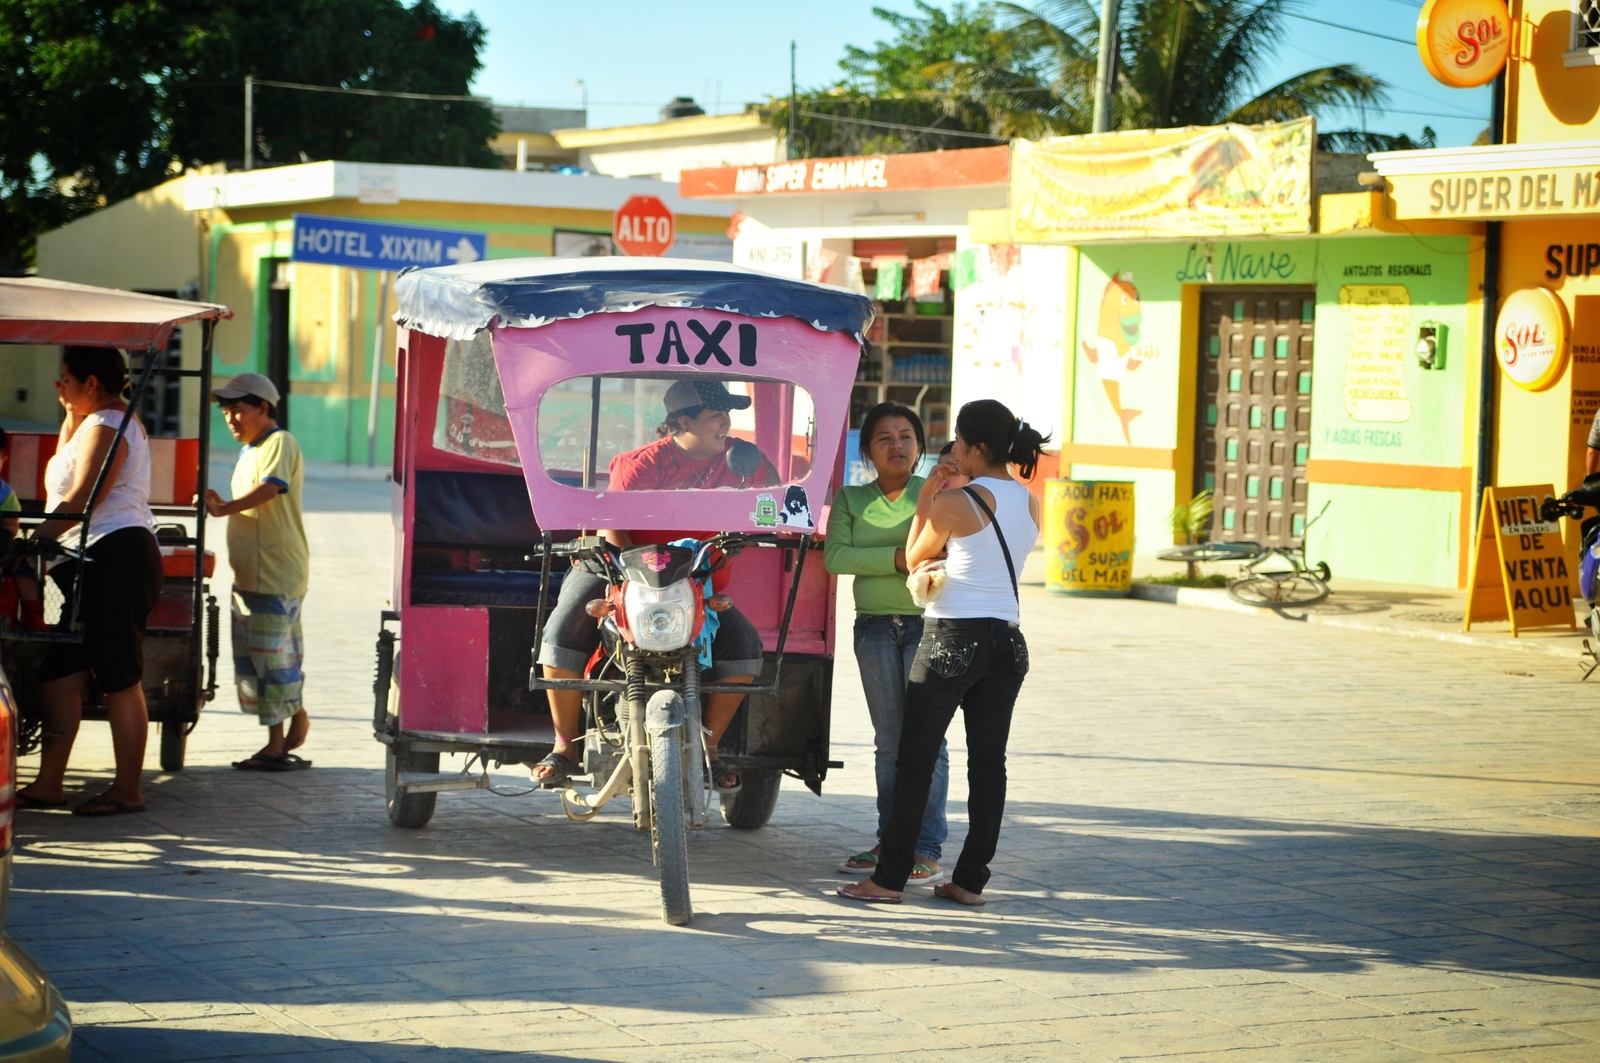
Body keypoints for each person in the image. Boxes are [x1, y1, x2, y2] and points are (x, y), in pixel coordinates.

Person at [838, 399, 1047, 907]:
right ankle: (970, 881)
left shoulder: (957, 502)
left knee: (914, 760)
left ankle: (888, 880)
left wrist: (930, 493)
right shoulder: (1029, 501)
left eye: (957, 441)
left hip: (953, 638)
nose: (951, 448)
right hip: (1009, 642)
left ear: (976, 448)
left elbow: (914, 557)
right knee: (988, 765)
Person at [532, 378, 776, 791]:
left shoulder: (741, 459)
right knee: (561, 629)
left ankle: (709, 752)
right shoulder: (642, 462)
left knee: (745, 645)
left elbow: (775, 504)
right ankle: (563, 747)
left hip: (693, 575)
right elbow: (613, 529)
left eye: (727, 415)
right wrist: (635, 580)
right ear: (682, 422)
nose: (725, 424)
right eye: (715, 415)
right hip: (618, 564)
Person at [17, 347, 163, 816]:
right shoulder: (91, 421)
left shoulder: (107, 426)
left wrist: (31, 541)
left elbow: (84, 497)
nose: (59, 387)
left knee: (120, 675)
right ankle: (48, 784)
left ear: (93, 383)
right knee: (59, 677)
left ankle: (127, 789)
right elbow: (64, 475)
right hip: (88, 561)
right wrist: (69, 411)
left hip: (116, 556)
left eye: (65, 379)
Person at [825, 403, 948, 885]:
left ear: (919, 445)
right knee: (888, 742)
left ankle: (927, 847)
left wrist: (873, 556)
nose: (897, 445)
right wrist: (902, 557)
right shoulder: (852, 498)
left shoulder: (936, 493)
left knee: (928, 741)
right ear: (868, 449)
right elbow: (835, 557)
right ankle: (890, 840)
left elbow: (944, 550)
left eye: (906, 436)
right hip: (873, 629)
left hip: (928, 626)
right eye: (884, 438)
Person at [203, 373, 312, 772]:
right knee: (262, 660)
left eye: (239, 409)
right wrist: (221, 503)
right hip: (251, 574)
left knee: (272, 661)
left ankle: (276, 745)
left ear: (263, 408)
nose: (231, 418)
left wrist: (225, 508)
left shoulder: (281, 442)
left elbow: (270, 489)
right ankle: (289, 722)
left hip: (275, 571)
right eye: (227, 411)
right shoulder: (249, 450)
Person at [0, 425, 46, 631]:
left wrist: (5, 535)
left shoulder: (4, 492)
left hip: (0, 545)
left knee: (23, 569)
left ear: (3, 460)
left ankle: (32, 612)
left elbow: (11, 523)